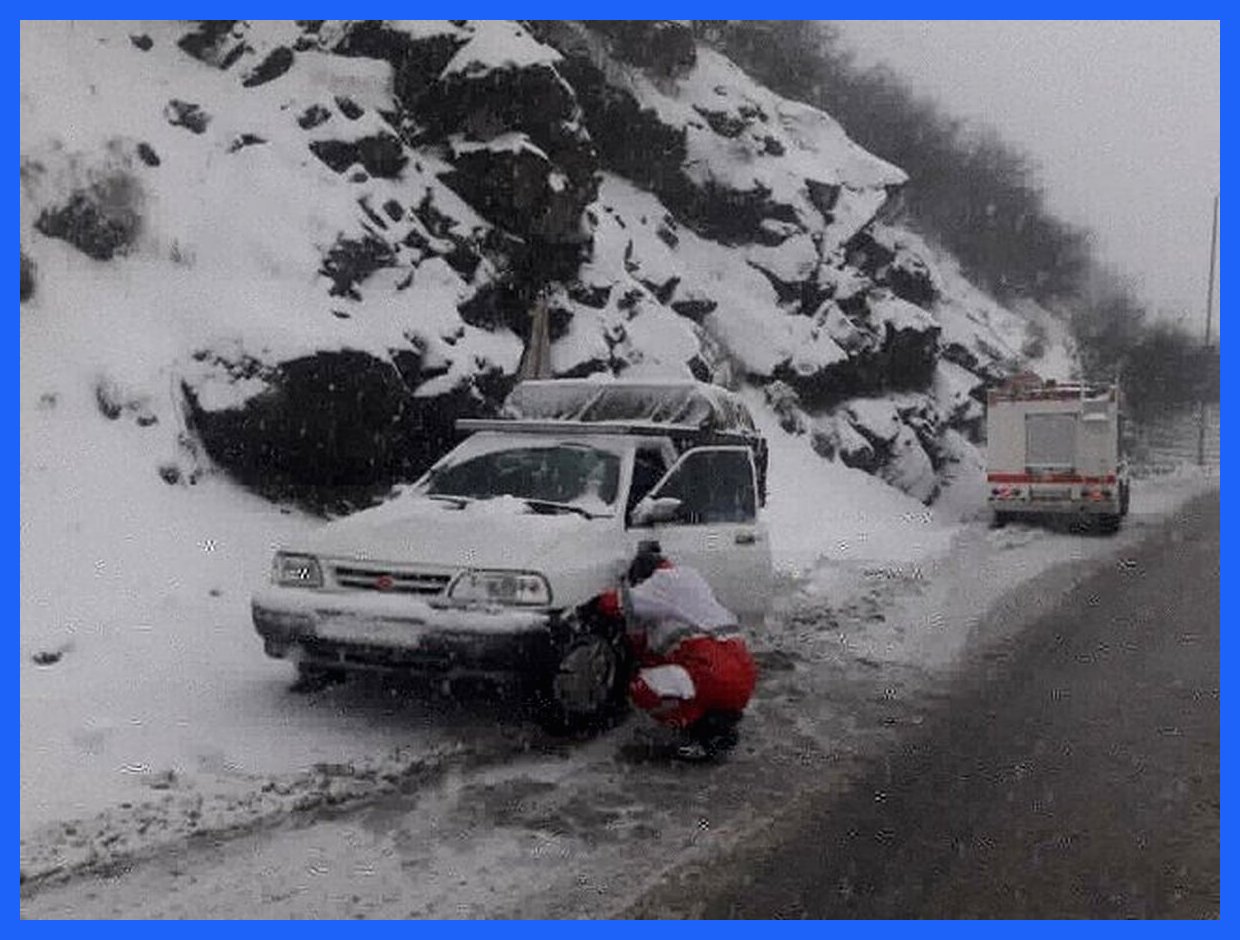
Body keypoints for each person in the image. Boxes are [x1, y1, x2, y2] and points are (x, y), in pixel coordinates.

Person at [605, 541, 758, 761]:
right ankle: (717, 724)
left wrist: (589, 604)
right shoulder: (693, 579)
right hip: (742, 672)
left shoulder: (661, 582)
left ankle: (692, 731)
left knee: (641, 686)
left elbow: (615, 603)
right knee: (701, 683)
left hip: (710, 671)